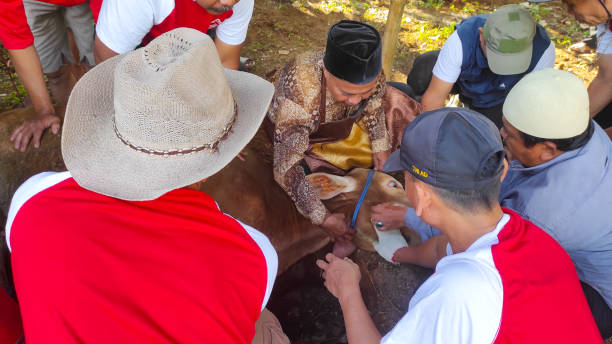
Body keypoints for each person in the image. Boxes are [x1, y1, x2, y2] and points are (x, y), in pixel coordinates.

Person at [5, 28, 287, 343]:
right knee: (267, 326)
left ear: (114, 126)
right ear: (210, 166)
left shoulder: (30, 200)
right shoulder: (256, 257)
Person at [318, 107, 602, 343]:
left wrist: (348, 291)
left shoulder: (460, 291)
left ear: (422, 198)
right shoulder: (533, 236)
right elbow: (445, 247)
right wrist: (400, 254)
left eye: (403, 179)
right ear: (502, 171)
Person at [372, 69, 612, 340]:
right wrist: (402, 248)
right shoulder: (580, 130)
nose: (501, 133)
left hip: (596, 292)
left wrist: (347, 290)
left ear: (547, 149)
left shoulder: (541, 215)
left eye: (509, 135)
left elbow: (466, 231)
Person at [266, 20, 393, 257]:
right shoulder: (301, 87)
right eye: (346, 92)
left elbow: (374, 105)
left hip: (335, 133)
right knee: (309, 186)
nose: (356, 101)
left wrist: (380, 146)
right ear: (325, 70)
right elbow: (285, 168)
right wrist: (322, 218)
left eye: (363, 92)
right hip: (293, 136)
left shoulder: (374, 78)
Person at [409, 4, 555, 128]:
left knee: (486, 136)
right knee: (425, 67)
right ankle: (408, 115)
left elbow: (528, 109)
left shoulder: (542, 51)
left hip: (498, 99)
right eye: (497, 56)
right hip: (464, 79)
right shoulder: (462, 39)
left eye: (511, 60)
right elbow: (434, 97)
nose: (503, 67)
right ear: (481, 36)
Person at [0, 0, 99, 152]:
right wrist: (44, 111)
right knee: (56, 73)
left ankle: (102, 122)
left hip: (87, 2)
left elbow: (114, 47)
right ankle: (74, 127)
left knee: (97, 68)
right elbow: (16, 39)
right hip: (35, 3)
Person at [93, 0, 253, 70]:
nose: (229, 2)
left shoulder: (238, 1)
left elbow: (225, 62)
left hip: (189, 29)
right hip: (135, 36)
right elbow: (108, 62)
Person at [532, 0, 612, 129]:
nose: (569, 12)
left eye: (571, 4)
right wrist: (566, 127)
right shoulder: (606, 19)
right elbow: (606, 78)